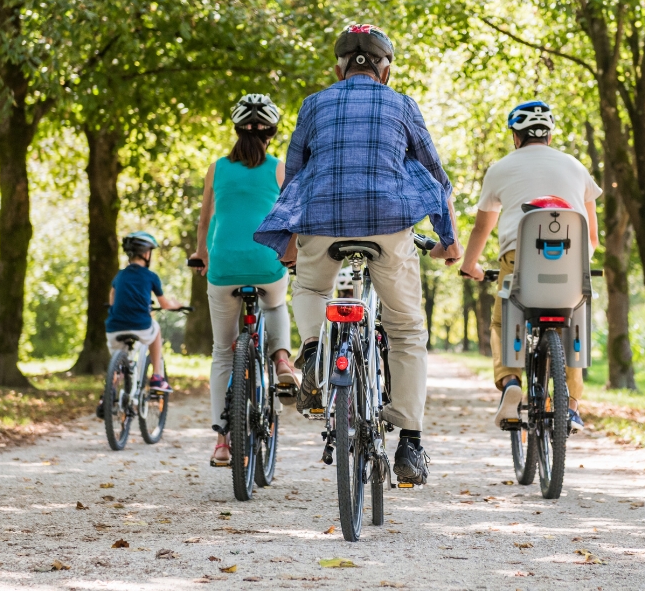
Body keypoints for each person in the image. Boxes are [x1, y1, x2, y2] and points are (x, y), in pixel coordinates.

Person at [254, 24, 462, 486]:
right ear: (386, 70)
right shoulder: (403, 104)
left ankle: (312, 352)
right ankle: (410, 444)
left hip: (322, 223)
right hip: (389, 225)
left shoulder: (314, 104)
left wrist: (289, 229)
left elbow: (295, 175)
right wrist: (448, 240)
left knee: (310, 285)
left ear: (338, 68)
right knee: (406, 329)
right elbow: (435, 176)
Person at [459, 100, 601, 431]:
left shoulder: (500, 169)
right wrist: (581, 266)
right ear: (549, 136)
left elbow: (483, 228)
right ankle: (571, 405)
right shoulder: (577, 167)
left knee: (502, 320)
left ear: (515, 136)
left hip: (518, 261)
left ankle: (510, 382)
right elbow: (591, 236)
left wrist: (470, 265)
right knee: (574, 322)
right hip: (571, 264)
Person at [190, 94, 296, 468]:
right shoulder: (279, 168)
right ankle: (282, 361)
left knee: (222, 352)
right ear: (272, 133)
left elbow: (205, 221)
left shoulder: (216, 168)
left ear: (236, 130)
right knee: (276, 301)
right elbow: (291, 219)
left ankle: (222, 441)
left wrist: (201, 255)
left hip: (223, 268)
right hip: (267, 263)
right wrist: (292, 254)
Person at [97, 231, 183, 419]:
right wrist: (176, 305)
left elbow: (112, 298)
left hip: (114, 328)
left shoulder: (119, 276)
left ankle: (107, 396)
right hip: (140, 326)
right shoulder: (150, 276)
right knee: (156, 328)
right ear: (146, 253)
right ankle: (157, 378)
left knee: (120, 364)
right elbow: (164, 304)